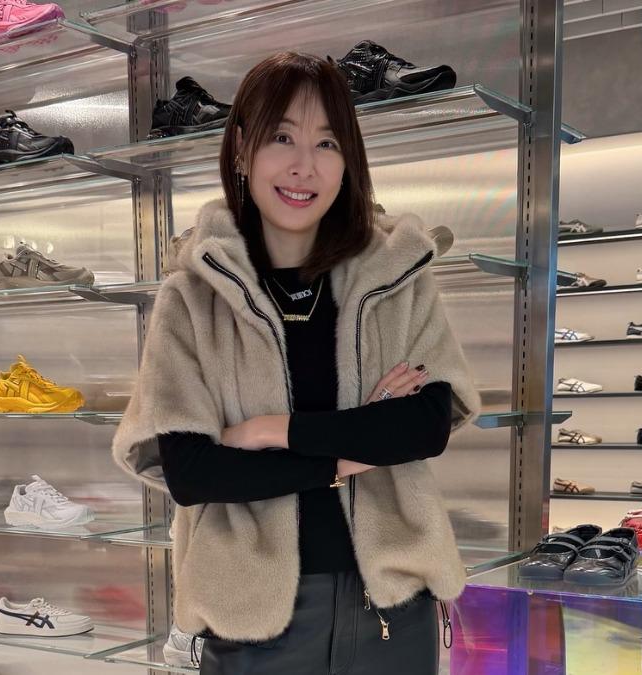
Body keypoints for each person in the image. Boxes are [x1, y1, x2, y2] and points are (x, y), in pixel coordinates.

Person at [112, 51, 480, 674]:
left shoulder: (396, 278)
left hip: (394, 607)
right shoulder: (193, 299)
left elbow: (424, 426)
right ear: (241, 150)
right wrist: (350, 452)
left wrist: (271, 431)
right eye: (281, 137)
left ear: (349, 161)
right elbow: (195, 471)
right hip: (253, 618)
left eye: (327, 143)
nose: (303, 166)